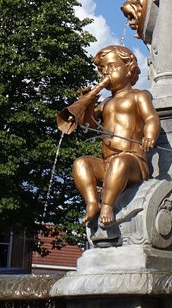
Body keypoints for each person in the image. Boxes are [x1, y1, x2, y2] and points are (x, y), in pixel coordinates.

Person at [58, 45, 161, 228]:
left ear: (129, 69)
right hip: (107, 162)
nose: (106, 73)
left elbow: (151, 118)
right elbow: (90, 125)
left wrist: (150, 136)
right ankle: (92, 202)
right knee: (81, 163)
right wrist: (87, 104)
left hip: (133, 161)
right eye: (102, 69)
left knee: (119, 163)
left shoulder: (138, 96)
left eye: (112, 67)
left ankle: (107, 205)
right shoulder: (105, 103)